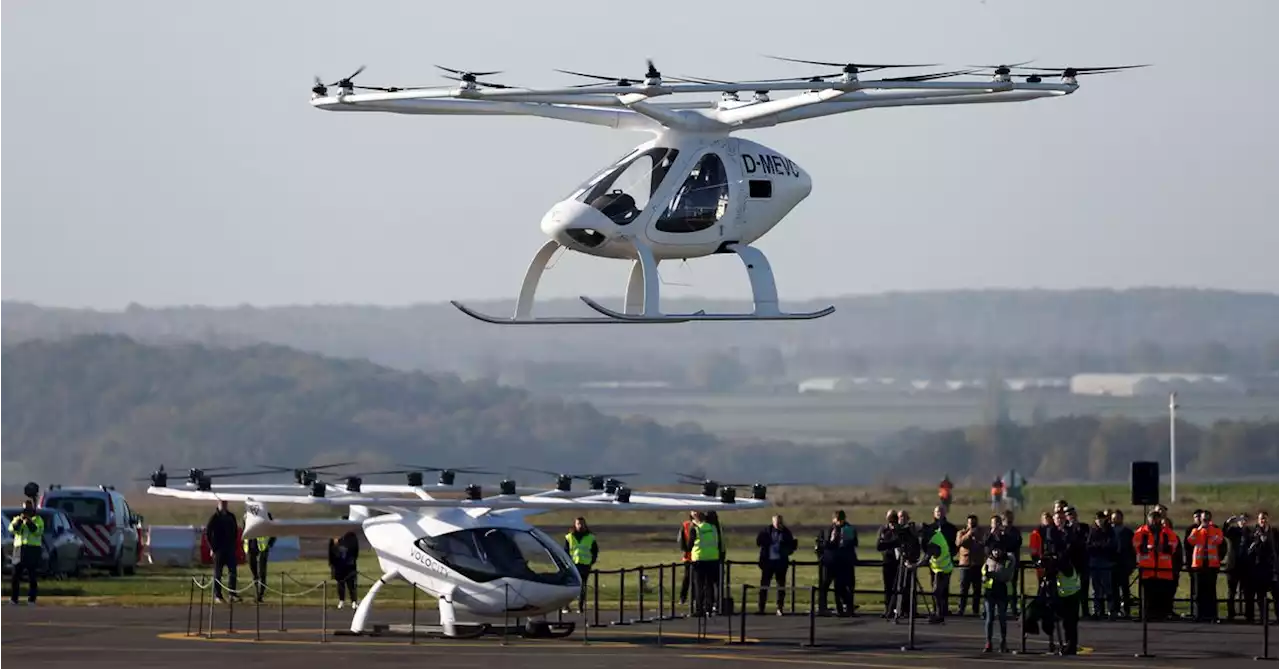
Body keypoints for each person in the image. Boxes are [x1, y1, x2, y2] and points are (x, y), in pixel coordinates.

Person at [1133, 509, 1177, 621]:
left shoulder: (1167, 532)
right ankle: (1146, 615)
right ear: (1148, 519)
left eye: (1156, 519)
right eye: (1152, 519)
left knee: (1161, 595)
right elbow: (1136, 545)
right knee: (1147, 595)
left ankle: (1161, 616)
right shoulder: (1141, 532)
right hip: (1147, 569)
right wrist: (1147, 548)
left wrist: (1163, 548)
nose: (1154, 521)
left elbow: (1173, 545)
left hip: (1163, 569)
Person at [755, 515, 797, 615]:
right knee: (764, 585)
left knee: (780, 586)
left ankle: (780, 608)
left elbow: (791, 546)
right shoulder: (766, 531)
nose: (778, 524)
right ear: (773, 522)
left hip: (780, 563)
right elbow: (758, 542)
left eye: (780, 522)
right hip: (768, 562)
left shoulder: (786, 532)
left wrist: (785, 546)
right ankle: (761, 608)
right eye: (776, 523)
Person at [1188, 510, 1224, 622]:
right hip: (1199, 565)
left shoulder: (1216, 530)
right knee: (1199, 592)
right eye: (1203, 519)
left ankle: (1212, 615)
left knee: (1211, 592)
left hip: (1211, 565)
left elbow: (1219, 540)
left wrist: (1209, 531)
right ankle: (1199, 615)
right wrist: (1200, 529)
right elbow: (1191, 541)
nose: (1205, 522)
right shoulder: (1196, 531)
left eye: (1207, 520)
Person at [819, 510, 857, 616]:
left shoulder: (848, 529)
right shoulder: (830, 530)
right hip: (831, 561)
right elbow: (825, 544)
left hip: (843, 561)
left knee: (841, 586)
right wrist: (831, 540)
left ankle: (844, 608)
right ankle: (823, 607)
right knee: (825, 585)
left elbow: (854, 542)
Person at [8, 500, 44, 605]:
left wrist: (29, 522)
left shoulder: (38, 520)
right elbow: (11, 529)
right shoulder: (17, 518)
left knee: (32, 575)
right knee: (15, 575)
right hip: (19, 548)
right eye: (24, 510)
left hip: (32, 549)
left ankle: (31, 599)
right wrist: (19, 521)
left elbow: (37, 531)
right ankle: (14, 599)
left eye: (28, 509)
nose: (26, 512)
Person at [1246, 511, 1280, 624]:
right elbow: (1250, 551)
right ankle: (1263, 617)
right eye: (1261, 519)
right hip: (1259, 568)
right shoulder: (1254, 533)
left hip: (1272, 568)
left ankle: (1278, 617)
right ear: (1258, 520)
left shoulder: (1274, 532)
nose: (1263, 521)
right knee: (1261, 595)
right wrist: (1257, 542)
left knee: (1276, 595)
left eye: (1264, 518)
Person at [981, 544, 1015, 653]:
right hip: (990, 592)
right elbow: (983, 575)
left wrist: (992, 575)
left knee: (1002, 618)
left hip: (1002, 591)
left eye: (998, 550)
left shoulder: (1007, 561)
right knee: (989, 618)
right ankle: (988, 642)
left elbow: (1007, 576)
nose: (996, 553)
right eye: (994, 550)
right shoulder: (988, 561)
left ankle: (1003, 642)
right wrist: (985, 576)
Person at [205, 500, 240, 603]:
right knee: (218, 573)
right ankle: (218, 595)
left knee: (232, 571)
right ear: (218, 504)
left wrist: (233, 544)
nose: (224, 505)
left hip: (229, 548)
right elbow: (208, 533)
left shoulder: (231, 516)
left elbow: (235, 531)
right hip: (218, 549)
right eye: (222, 503)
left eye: (225, 503)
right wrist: (212, 547)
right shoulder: (214, 518)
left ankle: (232, 594)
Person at [688, 511, 721, 617]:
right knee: (709, 585)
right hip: (713, 559)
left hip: (699, 560)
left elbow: (689, 546)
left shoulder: (696, 529)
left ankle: (699, 609)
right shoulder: (714, 529)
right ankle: (709, 608)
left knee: (699, 586)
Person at [1086, 511, 1116, 619]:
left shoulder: (1109, 531)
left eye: (1101, 519)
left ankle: (1110, 610)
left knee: (1108, 588)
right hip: (1094, 563)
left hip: (1106, 563)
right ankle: (1097, 610)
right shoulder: (1092, 531)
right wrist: (1100, 546)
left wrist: (1099, 546)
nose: (1099, 521)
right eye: (1098, 519)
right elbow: (1089, 546)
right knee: (1096, 589)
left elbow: (1111, 545)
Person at [921, 524, 954, 624]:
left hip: (942, 570)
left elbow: (924, 560)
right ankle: (939, 613)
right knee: (938, 593)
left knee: (937, 592)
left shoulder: (934, 543)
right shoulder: (938, 535)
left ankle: (939, 614)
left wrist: (912, 565)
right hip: (944, 568)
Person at [563, 516, 597, 614]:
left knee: (583, 586)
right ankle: (566, 606)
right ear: (575, 524)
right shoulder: (569, 537)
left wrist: (591, 561)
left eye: (582, 524)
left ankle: (580, 606)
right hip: (572, 564)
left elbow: (594, 551)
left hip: (585, 565)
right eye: (578, 524)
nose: (580, 526)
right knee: (569, 586)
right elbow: (565, 551)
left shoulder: (590, 537)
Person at [956, 514, 985, 616]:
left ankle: (975, 610)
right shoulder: (961, 533)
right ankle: (961, 609)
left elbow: (984, 543)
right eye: (970, 523)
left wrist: (977, 536)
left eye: (974, 523)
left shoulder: (981, 533)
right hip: (965, 564)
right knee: (964, 588)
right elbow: (959, 543)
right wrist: (969, 534)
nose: (972, 525)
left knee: (977, 589)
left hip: (977, 564)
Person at [1223, 513, 1251, 622]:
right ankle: (1231, 614)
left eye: (1245, 520)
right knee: (1231, 592)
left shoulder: (1250, 533)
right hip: (1233, 566)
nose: (1243, 522)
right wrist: (1228, 523)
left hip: (1245, 567)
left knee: (1247, 592)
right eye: (1241, 520)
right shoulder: (1233, 531)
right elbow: (1224, 532)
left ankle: (1249, 614)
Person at [243, 517, 277, 604]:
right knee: (254, 572)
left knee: (262, 572)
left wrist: (270, 544)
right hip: (250, 547)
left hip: (263, 547)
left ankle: (260, 595)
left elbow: (274, 530)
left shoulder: (265, 514)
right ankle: (256, 591)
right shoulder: (247, 515)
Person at [876, 510, 902, 617]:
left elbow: (901, 542)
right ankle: (888, 609)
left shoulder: (899, 530)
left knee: (899, 587)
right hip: (887, 561)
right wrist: (891, 544)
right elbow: (879, 546)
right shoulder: (883, 530)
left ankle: (898, 609)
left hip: (898, 562)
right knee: (888, 587)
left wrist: (889, 543)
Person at [1111, 510, 1136, 619]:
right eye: (1113, 518)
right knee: (1113, 589)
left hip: (1124, 564)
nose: (1115, 520)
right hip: (1112, 564)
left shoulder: (1128, 532)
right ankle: (1115, 610)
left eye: (1117, 517)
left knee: (1125, 589)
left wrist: (1132, 564)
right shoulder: (1109, 531)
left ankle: (1127, 610)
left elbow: (1132, 549)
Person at [1055, 556, 1082, 656]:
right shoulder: (1072, 569)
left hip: (1066, 597)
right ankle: (1071, 646)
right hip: (1074, 595)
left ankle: (1069, 645)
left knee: (1068, 624)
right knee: (1072, 625)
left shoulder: (1062, 571)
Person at [329, 529, 359, 609]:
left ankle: (354, 601)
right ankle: (341, 601)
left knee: (351, 584)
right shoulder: (335, 537)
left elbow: (355, 550)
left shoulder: (352, 537)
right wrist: (332, 564)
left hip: (349, 564)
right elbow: (331, 552)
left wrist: (352, 560)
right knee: (340, 584)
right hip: (339, 565)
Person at [678, 511, 695, 604]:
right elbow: (681, 540)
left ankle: (692, 598)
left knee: (694, 579)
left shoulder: (701, 526)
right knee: (687, 578)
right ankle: (683, 597)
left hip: (697, 556)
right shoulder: (686, 525)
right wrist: (686, 550)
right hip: (689, 557)